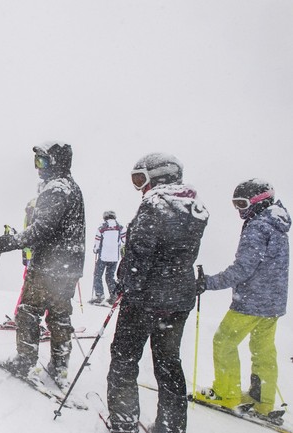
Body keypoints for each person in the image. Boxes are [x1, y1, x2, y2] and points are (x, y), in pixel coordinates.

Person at [107, 153, 209, 433]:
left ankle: (124, 423)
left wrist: (124, 282)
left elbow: (139, 256)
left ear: (159, 176)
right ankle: (171, 426)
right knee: (168, 363)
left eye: (141, 179)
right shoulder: (194, 206)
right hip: (178, 300)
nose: (139, 187)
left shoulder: (154, 205)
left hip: (144, 301)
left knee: (125, 358)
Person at [194, 179, 289, 416]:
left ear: (259, 201)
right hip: (273, 303)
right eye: (235, 203)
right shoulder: (277, 224)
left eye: (242, 203)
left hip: (252, 301)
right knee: (262, 349)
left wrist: (208, 282)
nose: (239, 209)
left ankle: (226, 392)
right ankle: (263, 399)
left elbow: (242, 269)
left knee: (224, 341)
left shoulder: (258, 226)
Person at [0, 143, 85, 388]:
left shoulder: (56, 189)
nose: (38, 168)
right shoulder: (72, 188)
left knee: (28, 310)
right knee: (59, 314)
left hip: (49, 265)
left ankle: (25, 361)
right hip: (68, 266)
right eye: (37, 162)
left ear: (56, 162)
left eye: (43, 162)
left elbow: (42, 228)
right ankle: (60, 365)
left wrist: (13, 241)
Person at [90, 210, 126, 305]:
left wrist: (95, 249)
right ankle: (113, 296)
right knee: (110, 276)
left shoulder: (102, 227)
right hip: (114, 257)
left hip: (103, 256)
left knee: (98, 275)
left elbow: (97, 243)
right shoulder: (120, 227)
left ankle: (99, 295)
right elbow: (125, 240)